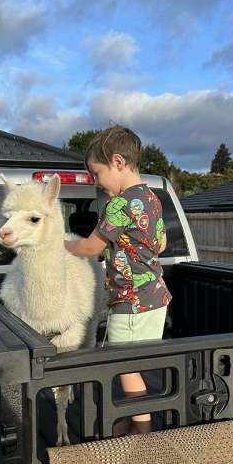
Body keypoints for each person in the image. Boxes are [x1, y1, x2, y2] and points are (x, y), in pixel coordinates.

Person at [65, 125, 171, 435]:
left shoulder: (120, 204)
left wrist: (60, 245)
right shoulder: (152, 199)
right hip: (156, 297)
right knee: (136, 364)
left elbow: (89, 247)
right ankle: (135, 418)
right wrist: (127, 247)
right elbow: (161, 244)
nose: (97, 183)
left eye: (97, 174)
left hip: (131, 300)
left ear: (118, 162)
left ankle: (141, 427)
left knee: (126, 366)